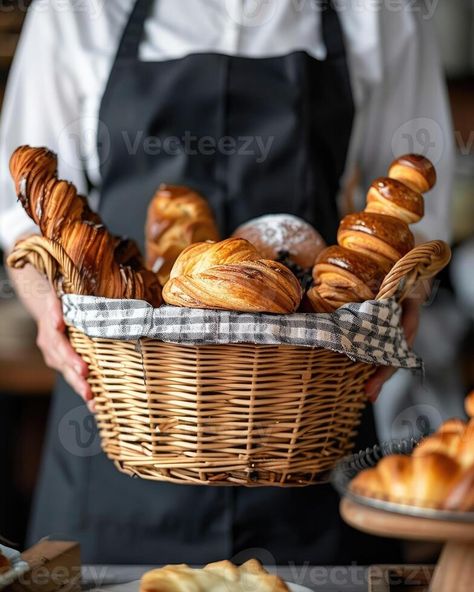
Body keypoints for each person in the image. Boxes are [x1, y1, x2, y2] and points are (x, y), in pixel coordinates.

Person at [0, 0, 453, 565]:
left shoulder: (379, 10)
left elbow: (413, 215)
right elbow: (23, 219)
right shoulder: (78, 8)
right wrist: (49, 309)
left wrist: (400, 305)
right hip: (123, 415)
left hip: (309, 421)